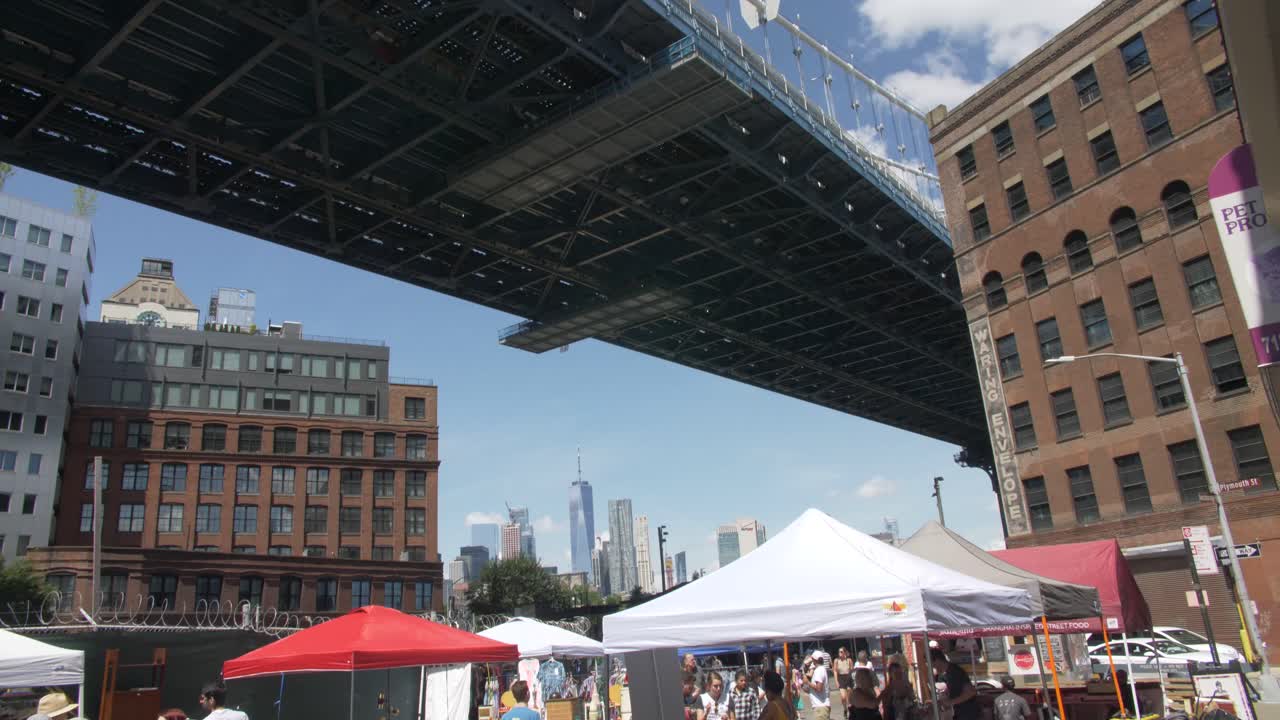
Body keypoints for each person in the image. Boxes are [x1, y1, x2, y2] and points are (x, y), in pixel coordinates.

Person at [930, 649, 977, 720]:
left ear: (937, 661)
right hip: (956, 713)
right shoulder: (943, 674)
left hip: (967, 713)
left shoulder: (955, 671)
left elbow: (971, 692)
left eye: (932, 665)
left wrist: (951, 702)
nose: (933, 668)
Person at [879, 655, 915, 720]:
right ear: (890, 674)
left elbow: (913, 699)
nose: (899, 675)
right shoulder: (888, 689)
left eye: (900, 673)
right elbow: (886, 709)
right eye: (896, 673)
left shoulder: (906, 684)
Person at [802, 650, 831, 720]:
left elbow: (819, 688)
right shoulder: (819, 669)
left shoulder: (819, 670)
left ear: (814, 659)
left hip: (820, 706)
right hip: (820, 706)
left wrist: (807, 682)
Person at [834, 648, 855, 713]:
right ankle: (845, 708)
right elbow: (835, 671)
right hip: (841, 678)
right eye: (839, 652)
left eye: (841, 652)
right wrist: (836, 681)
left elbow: (852, 670)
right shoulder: (836, 660)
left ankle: (850, 707)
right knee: (843, 697)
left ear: (844, 653)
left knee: (849, 693)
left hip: (848, 677)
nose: (839, 653)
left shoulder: (849, 660)